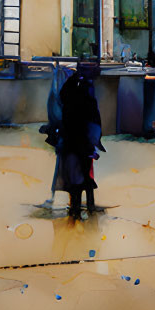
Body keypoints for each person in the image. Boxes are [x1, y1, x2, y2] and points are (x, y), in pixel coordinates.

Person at [59, 71, 105, 218]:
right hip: (84, 144)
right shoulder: (88, 102)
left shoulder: (67, 101)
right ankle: (89, 205)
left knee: (74, 177)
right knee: (86, 174)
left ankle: (75, 207)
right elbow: (94, 121)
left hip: (70, 143)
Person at [39, 64, 73, 207]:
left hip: (65, 134)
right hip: (66, 134)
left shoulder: (60, 84)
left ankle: (61, 197)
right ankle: (71, 198)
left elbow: (58, 113)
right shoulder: (65, 84)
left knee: (65, 166)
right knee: (67, 166)